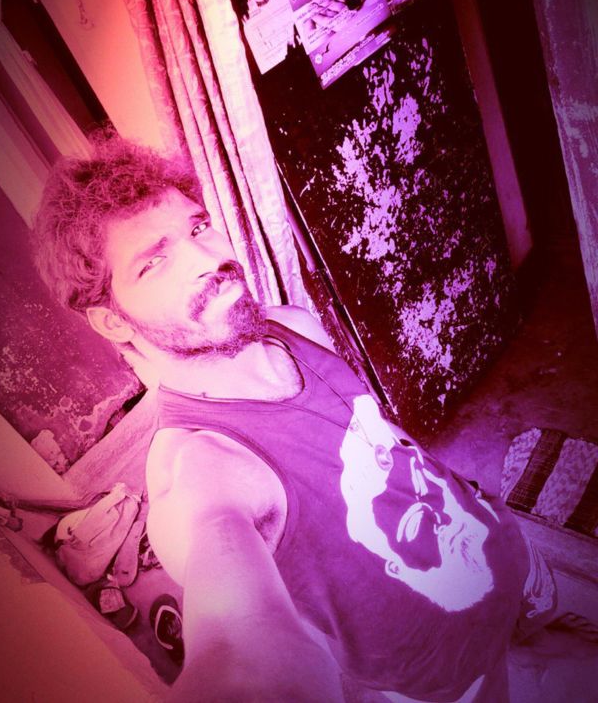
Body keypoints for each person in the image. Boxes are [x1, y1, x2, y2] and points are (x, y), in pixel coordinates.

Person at [33, 138, 556, 702]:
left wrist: (463, 496)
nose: (209, 260)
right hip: (444, 671)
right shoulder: (200, 471)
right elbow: (241, 653)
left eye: (199, 227)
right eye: (154, 261)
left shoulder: (294, 325)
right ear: (113, 322)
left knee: (556, 644)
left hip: (503, 548)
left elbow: (378, 435)